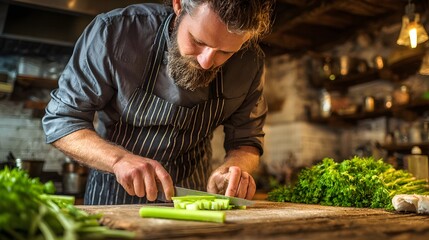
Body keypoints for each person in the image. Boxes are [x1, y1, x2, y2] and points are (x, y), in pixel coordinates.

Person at [42, 0, 273, 205]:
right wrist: (119, 160)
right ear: (178, 5)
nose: (206, 62)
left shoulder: (250, 63)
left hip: (193, 199)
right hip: (112, 196)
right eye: (197, 41)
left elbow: (246, 139)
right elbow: (63, 119)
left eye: (225, 52)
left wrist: (234, 169)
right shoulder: (115, 32)